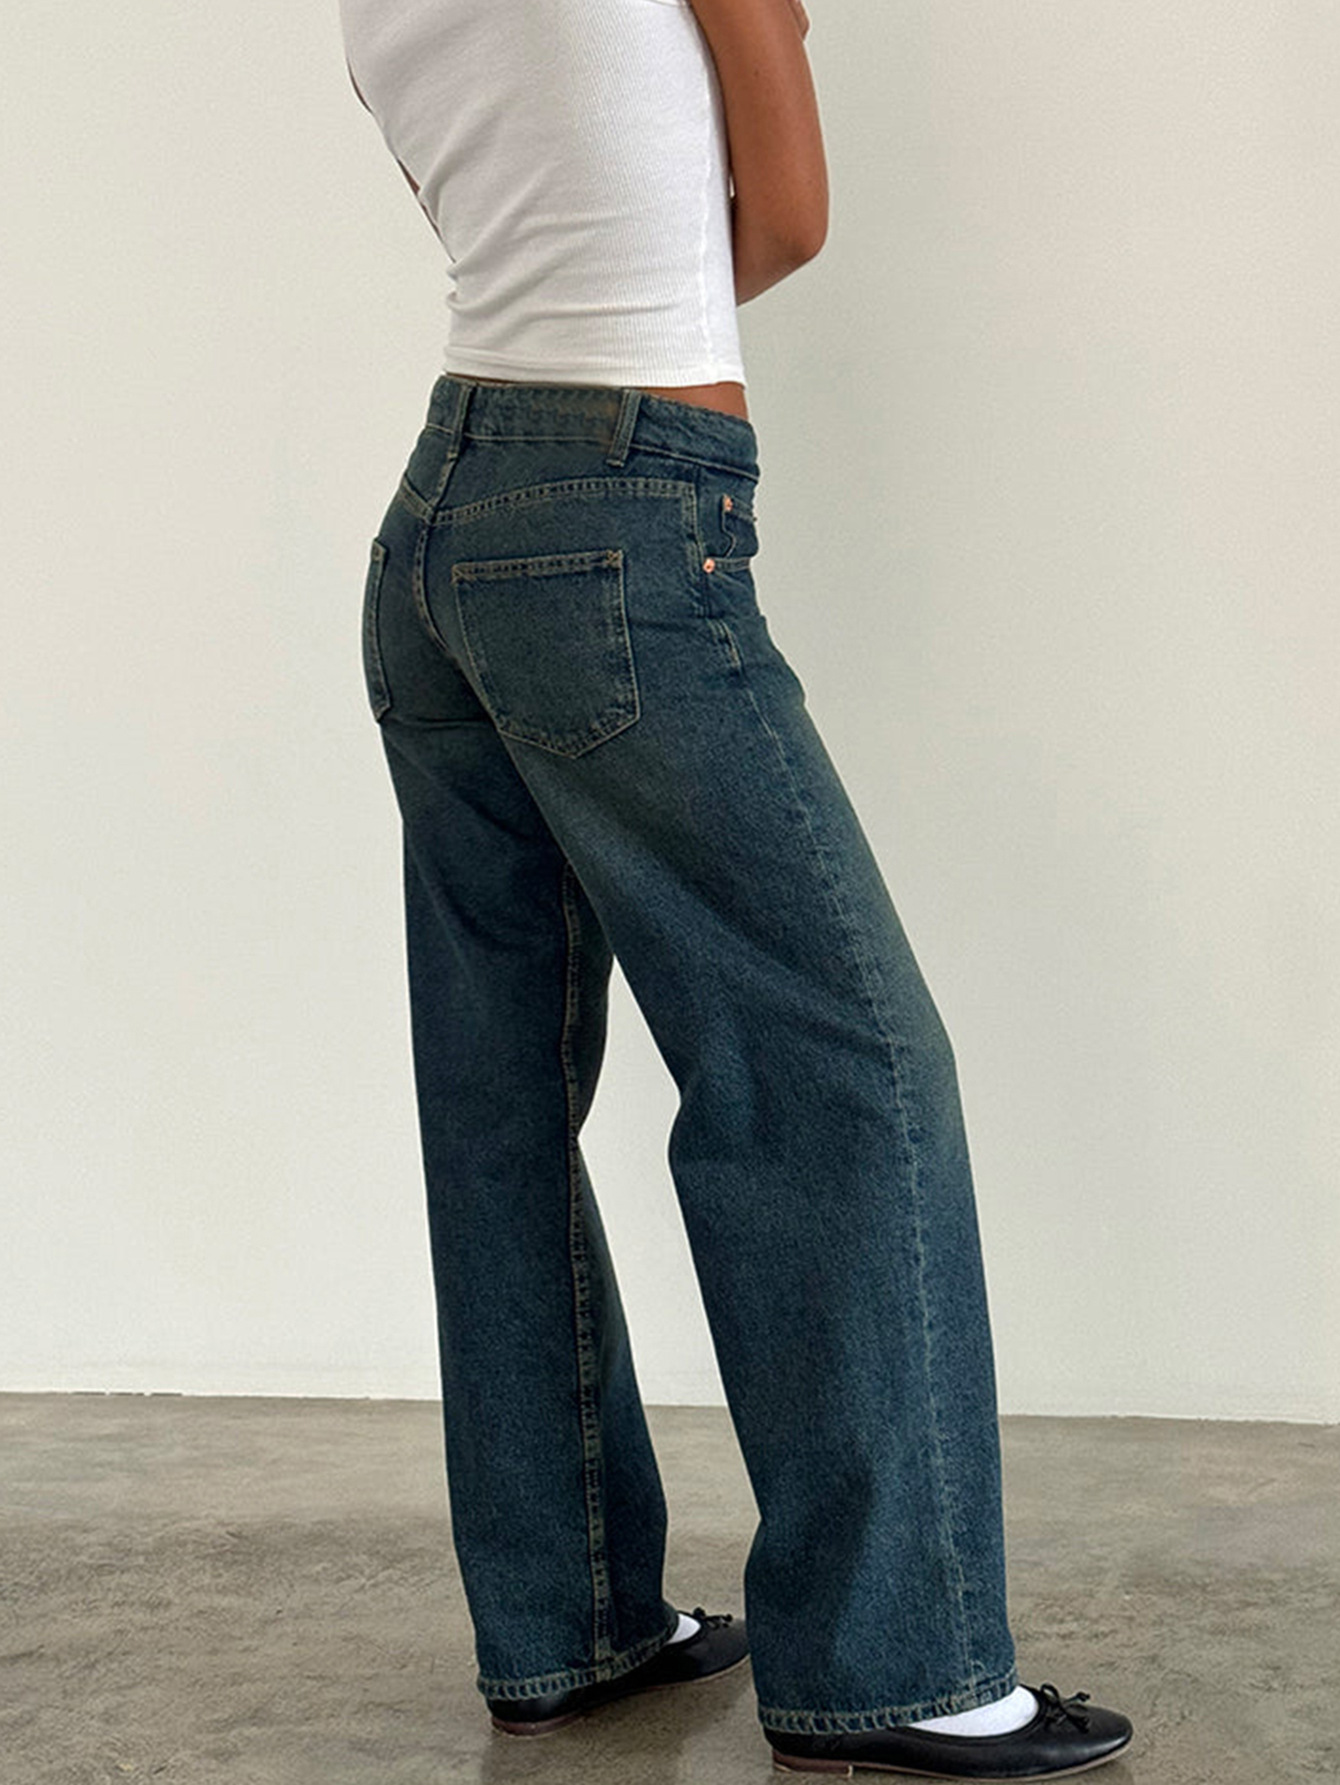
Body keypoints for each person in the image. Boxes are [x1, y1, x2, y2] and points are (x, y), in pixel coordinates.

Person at [338, 0, 1134, 1775]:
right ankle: (906, 1667)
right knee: (847, 1065)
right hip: (622, 512)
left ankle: (569, 1622)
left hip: (439, 527)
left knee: (499, 1102)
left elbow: (501, 216)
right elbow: (783, 217)